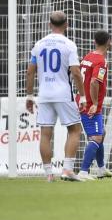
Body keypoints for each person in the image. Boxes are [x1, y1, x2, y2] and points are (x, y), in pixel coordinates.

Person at [25, 11, 86, 182]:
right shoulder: (69, 44)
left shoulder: (39, 44)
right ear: (67, 24)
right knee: (74, 130)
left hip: (44, 94)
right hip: (63, 94)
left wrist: (29, 95)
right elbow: (75, 72)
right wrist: (82, 96)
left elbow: (30, 71)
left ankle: (48, 174)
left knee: (45, 133)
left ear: (49, 24)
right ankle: (67, 170)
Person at [76, 30, 112, 180]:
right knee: (96, 137)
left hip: (82, 100)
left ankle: (101, 168)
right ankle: (83, 172)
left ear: (95, 42)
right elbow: (93, 82)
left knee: (101, 134)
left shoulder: (88, 57)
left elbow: (79, 76)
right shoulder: (101, 61)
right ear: (109, 42)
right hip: (91, 104)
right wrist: (95, 103)